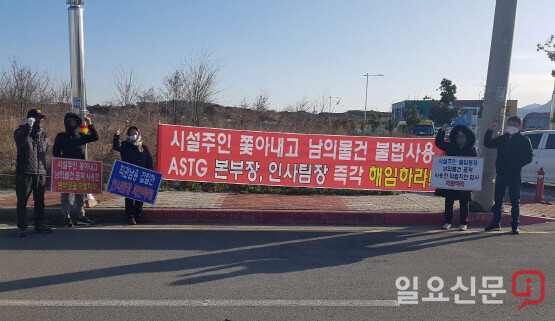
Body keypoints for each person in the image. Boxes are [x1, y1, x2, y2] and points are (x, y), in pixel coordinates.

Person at [483, 116, 533, 234]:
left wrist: (517, 164)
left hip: (515, 175)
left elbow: (529, 157)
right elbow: (488, 143)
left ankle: (515, 224)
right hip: (501, 174)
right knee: (498, 200)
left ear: (520, 127)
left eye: (514, 125)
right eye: (510, 125)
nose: (511, 127)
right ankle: (496, 223)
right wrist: (490, 130)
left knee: (515, 201)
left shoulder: (524, 140)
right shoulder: (502, 138)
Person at [52, 112, 99, 227]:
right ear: (66, 123)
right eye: (70, 121)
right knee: (65, 195)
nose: (72, 123)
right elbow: (56, 152)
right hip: (66, 170)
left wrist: (89, 124)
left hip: (80, 171)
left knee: (79, 195)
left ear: (78, 123)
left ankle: (81, 216)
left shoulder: (81, 136)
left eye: (74, 121)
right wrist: (63, 162)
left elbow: (95, 137)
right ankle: (66, 217)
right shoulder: (61, 136)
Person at [13, 109, 52, 237]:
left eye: (41, 118)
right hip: (25, 171)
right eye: (36, 118)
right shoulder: (20, 131)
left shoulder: (44, 135)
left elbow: (45, 149)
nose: (39, 120)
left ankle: (39, 224)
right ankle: (22, 226)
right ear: (30, 118)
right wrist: (28, 127)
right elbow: (21, 142)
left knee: (40, 201)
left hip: (40, 171)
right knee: (22, 200)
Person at [435, 124, 477, 231]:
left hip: (464, 180)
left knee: (464, 202)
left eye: (462, 136)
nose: (460, 138)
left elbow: (475, 165)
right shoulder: (450, 146)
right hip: (451, 179)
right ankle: (448, 221)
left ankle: (463, 222)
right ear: (454, 136)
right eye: (458, 136)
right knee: (449, 200)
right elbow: (439, 143)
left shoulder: (471, 149)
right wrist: (442, 131)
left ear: (467, 136)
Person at [113, 126, 153, 225]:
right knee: (130, 196)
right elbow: (117, 147)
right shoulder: (125, 145)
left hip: (142, 175)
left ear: (139, 134)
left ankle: (138, 215)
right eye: (131, 133)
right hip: (129, 174)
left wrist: (150, 173)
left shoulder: (143, 147)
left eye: (135, 133)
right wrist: (116, 137)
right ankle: (130, 216)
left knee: (140, 197)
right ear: (128, 135)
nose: (133, 135)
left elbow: (149, 160)